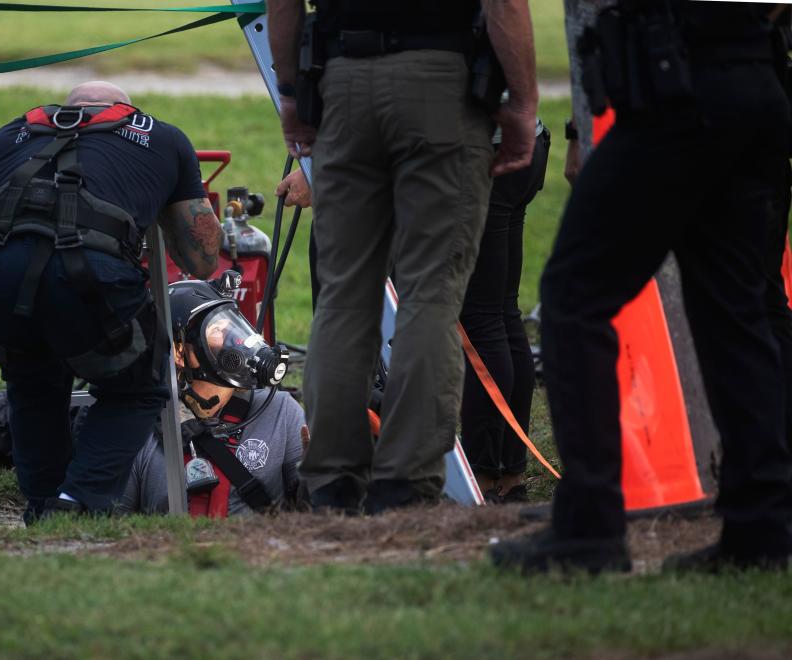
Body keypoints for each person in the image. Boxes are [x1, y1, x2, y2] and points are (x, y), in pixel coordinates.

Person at [491, 1, 792, 573]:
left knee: (574, 297)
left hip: (676, 77)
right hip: (756, 72)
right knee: (737, 312)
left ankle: (589, 528)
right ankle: (761, 531)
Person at [268, 0, 538, 514]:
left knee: (344, 294)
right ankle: (404, 483)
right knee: (431, 293)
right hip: (441, 78)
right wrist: (522, 103)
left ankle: (331, 481)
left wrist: (289, 91)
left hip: (342, 77)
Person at [0, 81, 223, 524]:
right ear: (126, 111)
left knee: (32, 383)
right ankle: (80, 500)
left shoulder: (4, 136)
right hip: (91, 280)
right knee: (137, 388)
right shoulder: (163, 138)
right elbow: (203, 258)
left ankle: (42, 508)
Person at [119, 274, 306, 516]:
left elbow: (315, 514)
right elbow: (116, 526)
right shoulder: (141, 427)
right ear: (178, 351)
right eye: (217, 329)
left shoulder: (281, 411)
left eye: (234, 325)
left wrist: (317, 475)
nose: (236, 340)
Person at [460, 119, 549, 503]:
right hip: (524, 143)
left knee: (481, 320)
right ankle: (509, 474)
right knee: (500, 312)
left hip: (485, 155)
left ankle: (485, 477)